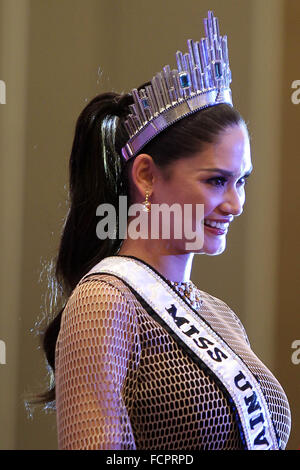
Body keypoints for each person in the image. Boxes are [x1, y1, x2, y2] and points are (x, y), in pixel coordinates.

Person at [39, 11, 291, 450]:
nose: (235, 204)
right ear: (147, 176)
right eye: (216, 181)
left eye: (242, 180)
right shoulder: (106, 301)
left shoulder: (221, 316)